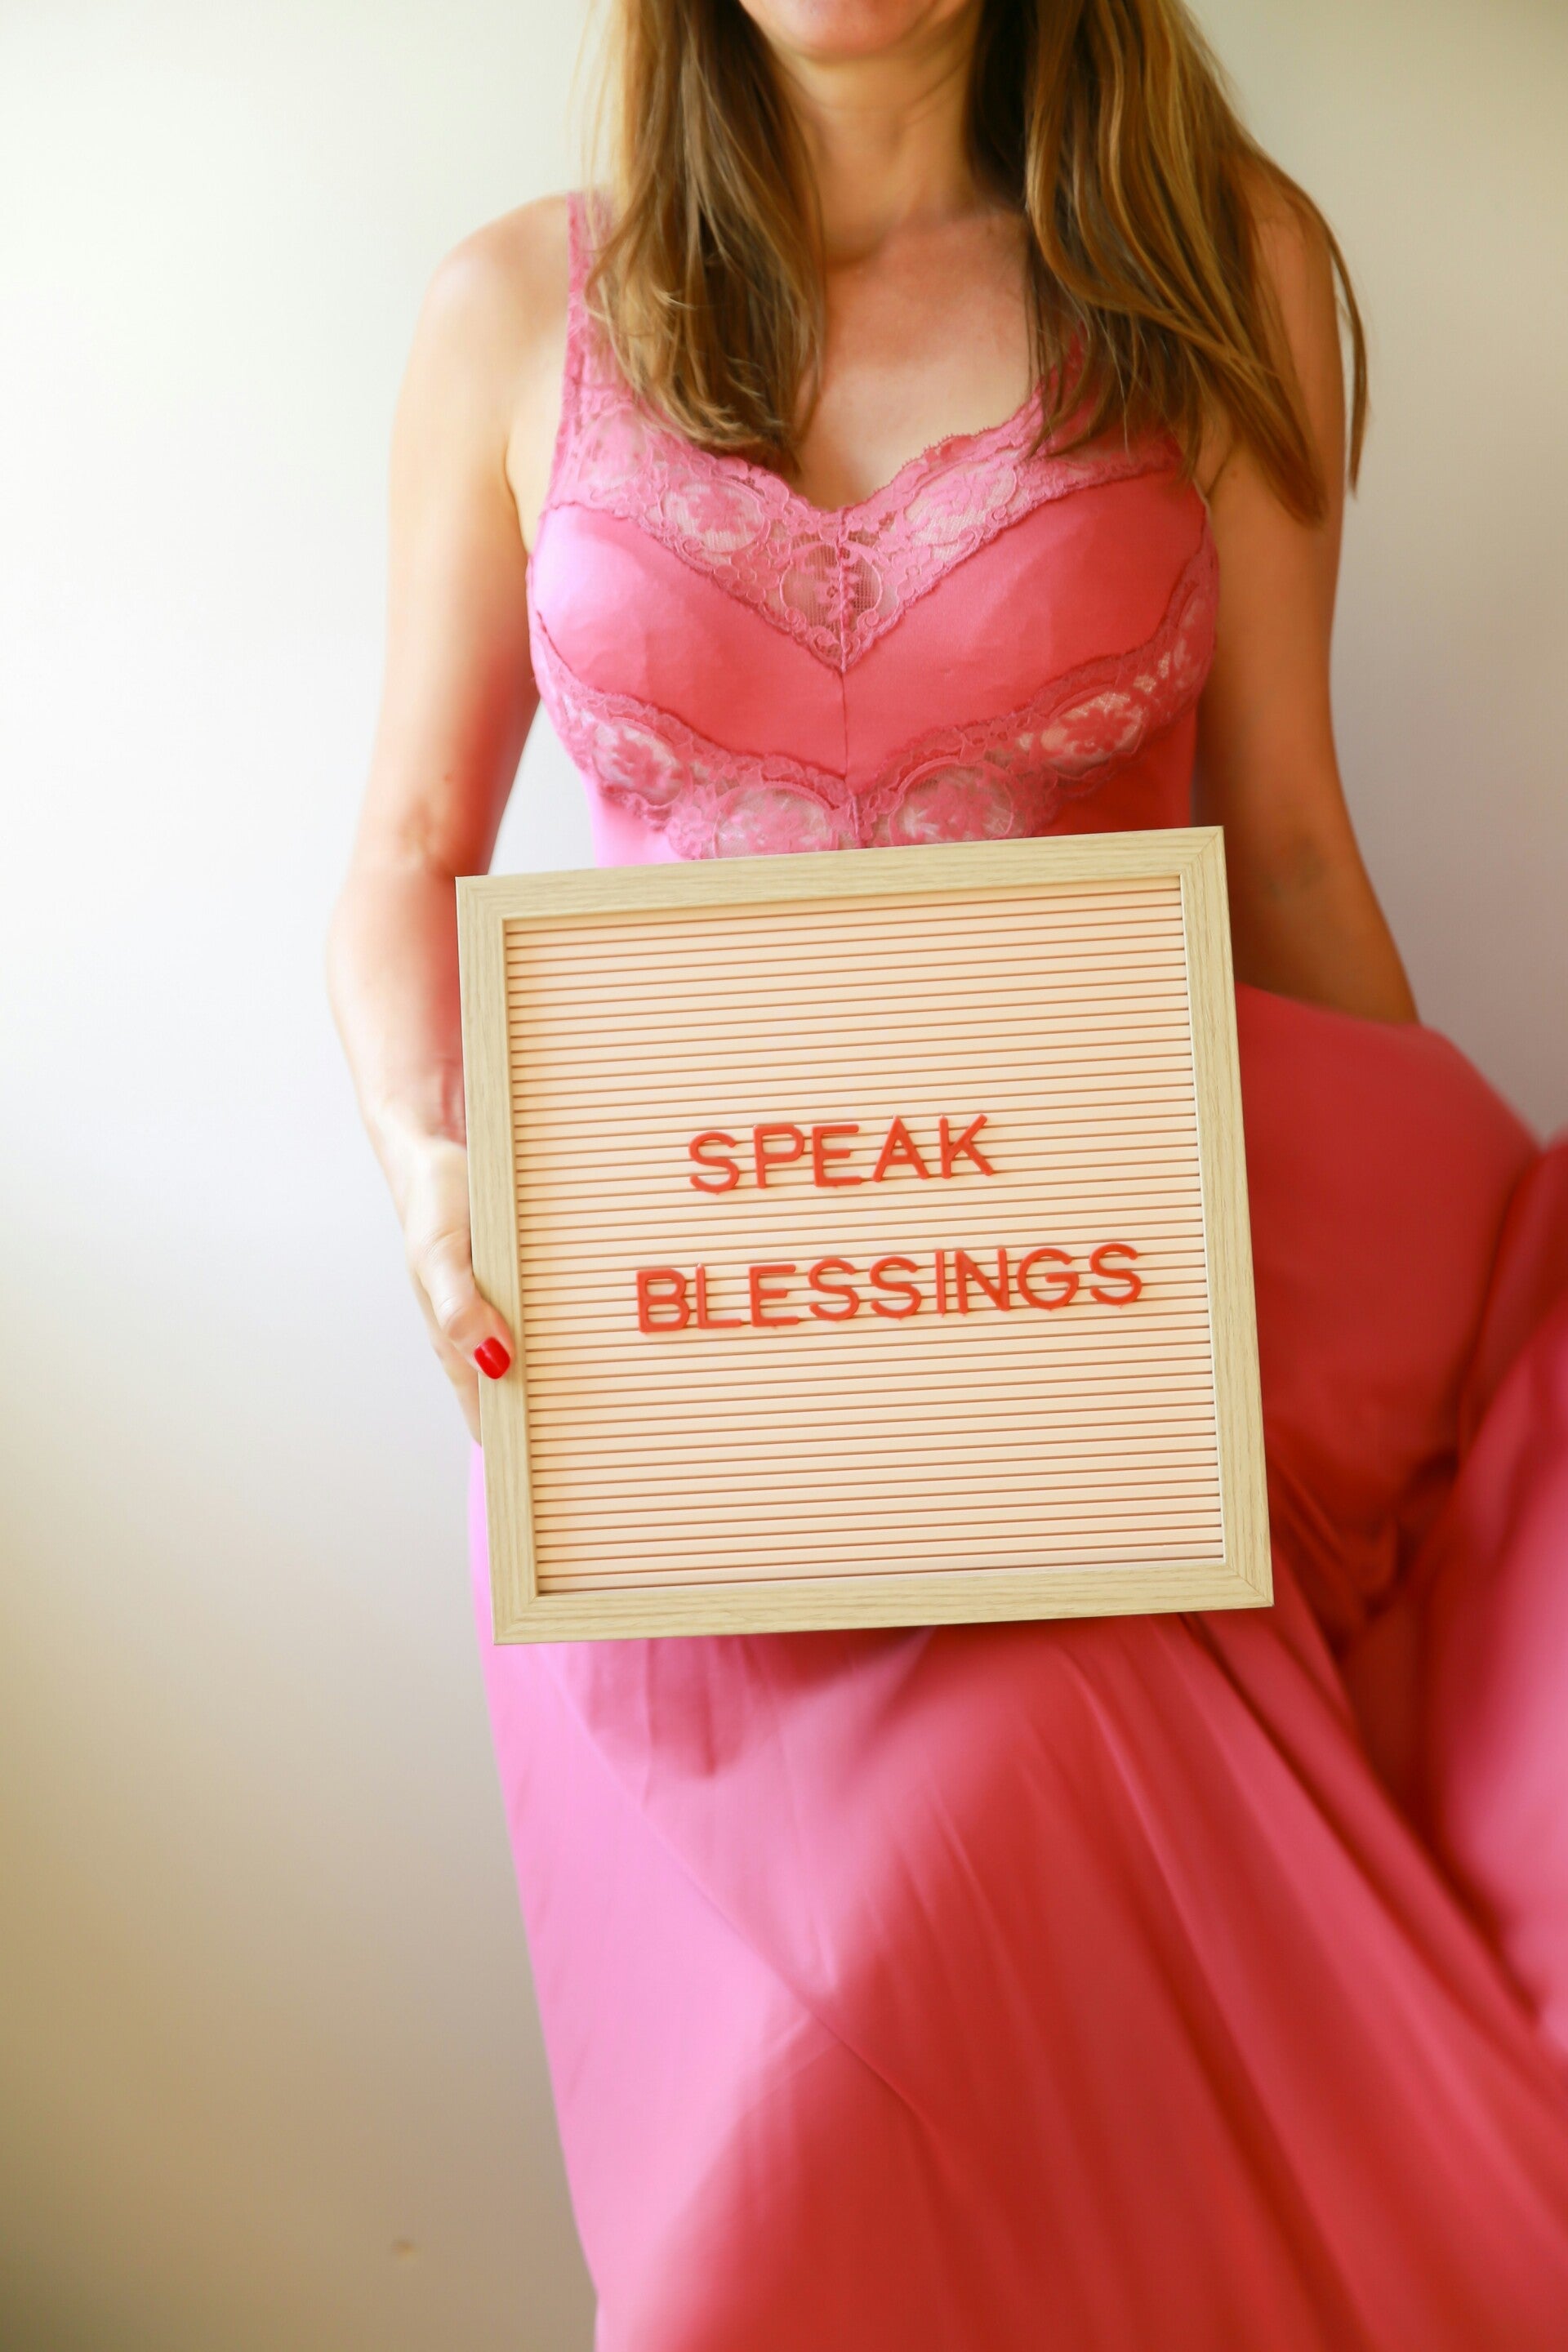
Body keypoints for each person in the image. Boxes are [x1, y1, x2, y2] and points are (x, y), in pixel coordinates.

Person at [328, 0, 1568, 2341]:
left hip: (1114, 1403)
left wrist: (1442, 1349)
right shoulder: (510, 311)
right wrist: (426, 1173)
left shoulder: (1222, 271)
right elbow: (400, 850)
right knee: (758, 2248)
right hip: (683, 1418)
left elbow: (1285, 856)